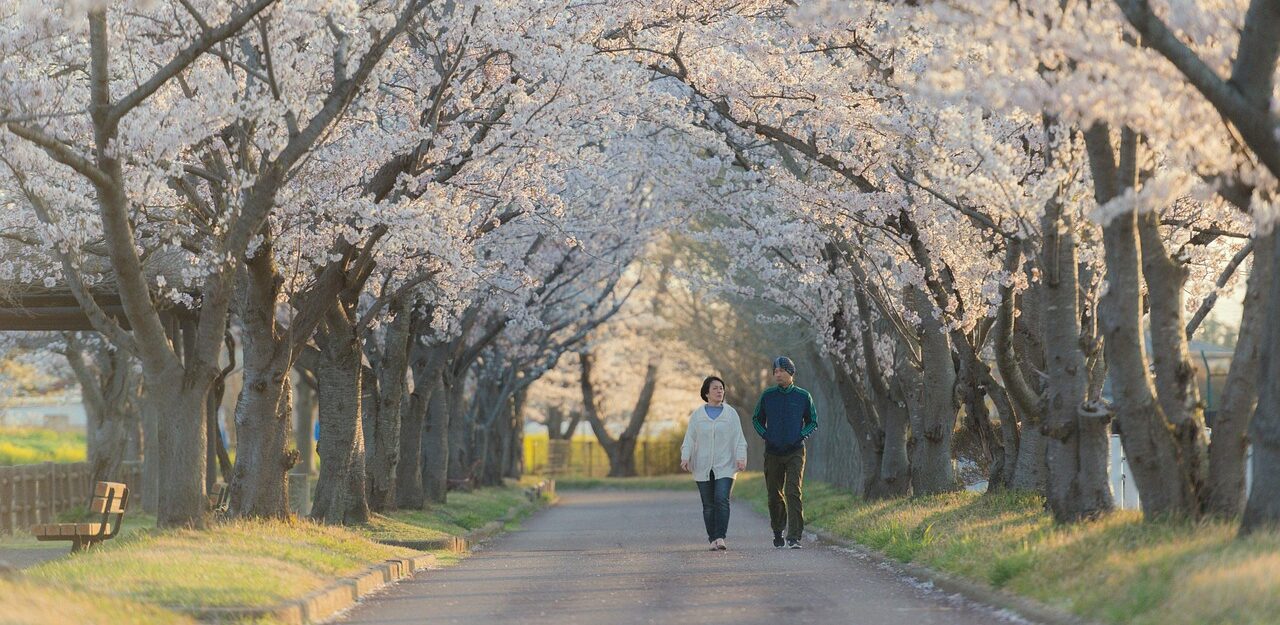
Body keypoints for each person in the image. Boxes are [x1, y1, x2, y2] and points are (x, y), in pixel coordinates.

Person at [751, 356, 817, 549]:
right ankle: (778, 530)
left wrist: (800, 435)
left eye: (781, 370)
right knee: (774, 494)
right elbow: (756, 419)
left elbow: (813, 421)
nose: (777, 374)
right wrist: (766, 435)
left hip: (795, 451)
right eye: (775, 371)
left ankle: (794, 536)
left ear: (790, 372)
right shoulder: (768, 396)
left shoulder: (803, 396)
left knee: (793, 491)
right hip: (772, 452)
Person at [680, 375, 748, 551]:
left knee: (721, 499)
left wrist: (741, 457)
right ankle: (712, 538)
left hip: (726, 464)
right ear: (706, 393)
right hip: (702, 465)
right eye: (715, 388)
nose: (720, 391)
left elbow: (740, 438)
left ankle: (720, 537)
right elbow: (689, 439)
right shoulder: (697, 415)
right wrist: (685, 457)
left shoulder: (730, 413)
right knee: (708, 505)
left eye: (721, 388)